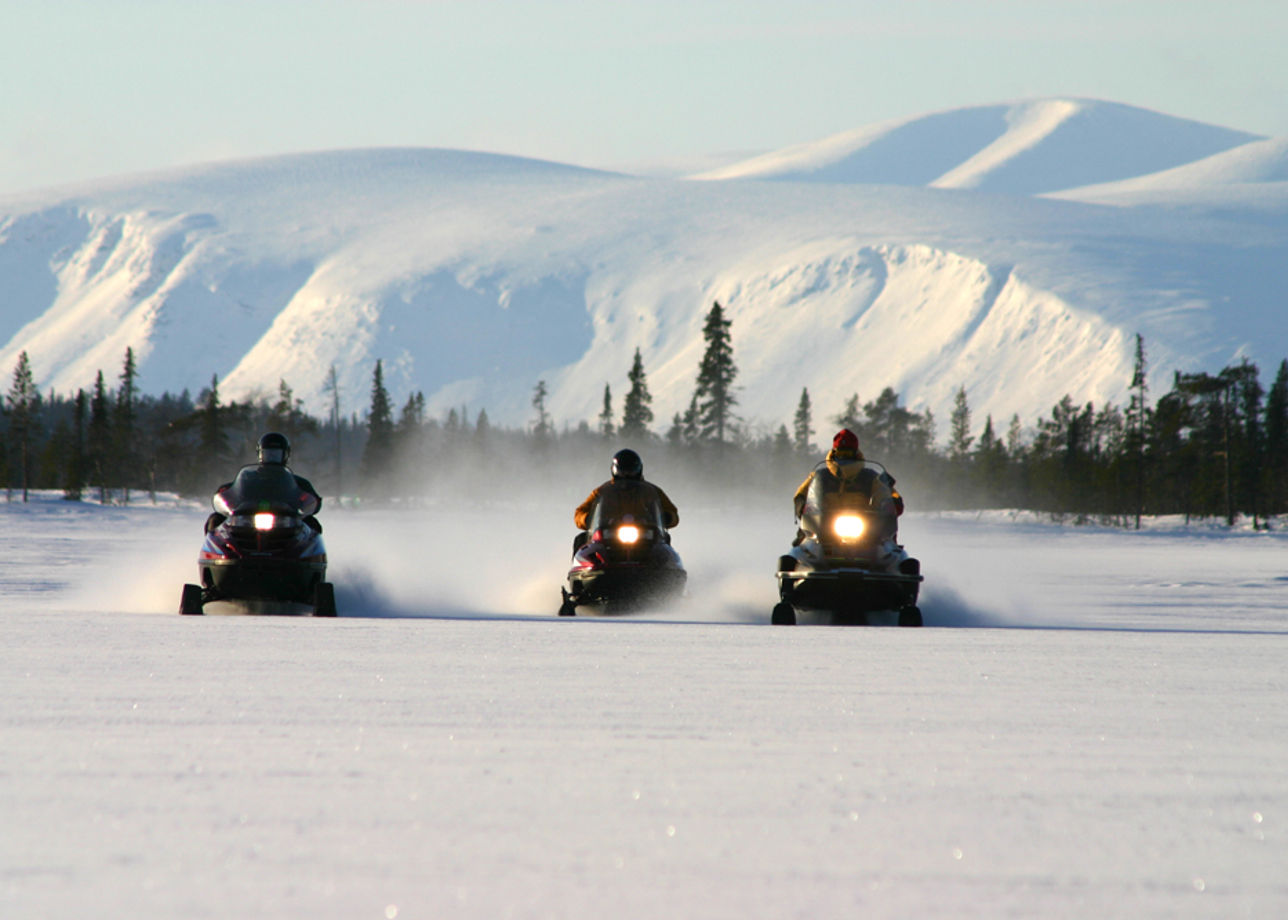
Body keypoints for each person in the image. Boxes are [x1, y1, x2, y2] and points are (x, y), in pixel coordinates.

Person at [793, 429, 903, 540]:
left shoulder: (871, 478)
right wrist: (802, 506)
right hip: (822, 533)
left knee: (892, 551)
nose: (844, 458)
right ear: (834, 453)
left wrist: (892, 503)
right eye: (841, 453)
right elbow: (800, 494)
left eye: (848, 454)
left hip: (868, 535)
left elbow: (889, 494)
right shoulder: (819, 477)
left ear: (855, 454)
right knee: (798, 551)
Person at [205, 432, 323, 533]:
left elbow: (313, 501)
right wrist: (225, 496)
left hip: (285, 523)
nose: (271, 457)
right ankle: (216, 552)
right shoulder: (248, 477)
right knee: (216, 519)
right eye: (268, 454)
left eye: (276, 454)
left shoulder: (297, 482)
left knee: (311, 523)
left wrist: (306, 504)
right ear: (260, 454)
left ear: (285, 455)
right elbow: (229, 490)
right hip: (246, 520)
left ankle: (309, 554)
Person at [574, 448, 678, 546]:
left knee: (665, 543)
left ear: (639, 470)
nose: (626, 475)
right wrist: (586, 519)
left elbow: (672, 512)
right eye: (622, 471)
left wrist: (667, 517)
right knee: (581, 540)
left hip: (646, 537)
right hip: (608, 536)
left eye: (630, 471)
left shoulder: (652, 492)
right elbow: (580, 512)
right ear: (614, 470)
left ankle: (669, 565)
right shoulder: (602, 491)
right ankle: (584, 564)